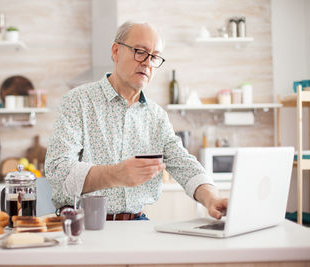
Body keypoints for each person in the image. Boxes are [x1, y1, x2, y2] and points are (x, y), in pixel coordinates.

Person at [45, 20, 228, 221]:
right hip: (84, 223)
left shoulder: (156, 116)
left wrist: (211, 198)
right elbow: (58, 172)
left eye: (155, 57)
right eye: (140, 52)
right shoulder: (77, 101)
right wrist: (114, 174)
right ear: (115, 51)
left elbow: (183, 163)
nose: (148, 62)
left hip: (137, 223)